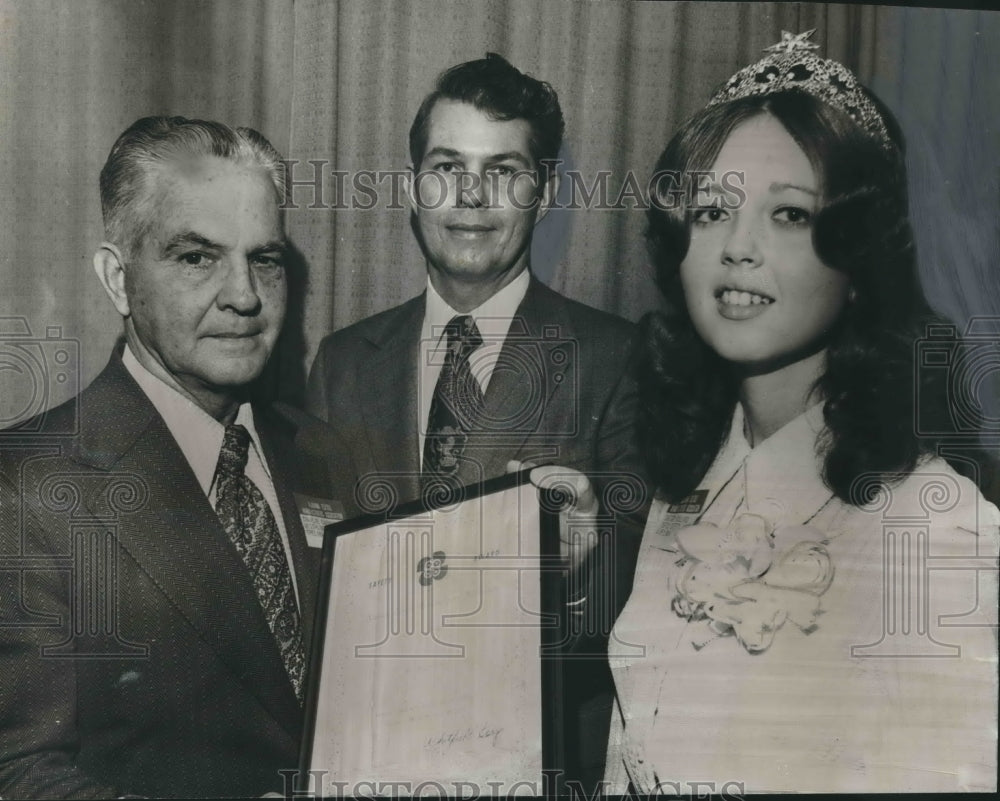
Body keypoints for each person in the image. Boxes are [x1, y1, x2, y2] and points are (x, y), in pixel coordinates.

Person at [605, 31, 999, 793]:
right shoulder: (679, 493)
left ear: (859, 262)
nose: (737, 248)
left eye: (788, 215)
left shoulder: (940, 534)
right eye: (712, 210)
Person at [305, 54, 647, 786]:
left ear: (545, 191)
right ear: (412, 186)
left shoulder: (617, 359)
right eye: (447, 165)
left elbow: (644, 609)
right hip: (369, 761)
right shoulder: (340, 364)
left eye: (504, 170)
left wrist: (582, 570)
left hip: (536, 764)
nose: (471, 194)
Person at [0, 116, 337, 798]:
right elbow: (19, 771)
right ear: (117, 279)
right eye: (197, 257)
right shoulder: (31, 484)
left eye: (264, 259)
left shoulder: (327, 454)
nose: (245, 296)